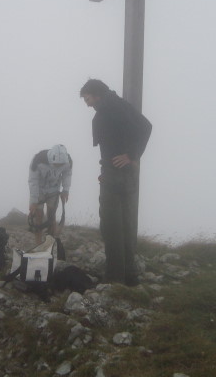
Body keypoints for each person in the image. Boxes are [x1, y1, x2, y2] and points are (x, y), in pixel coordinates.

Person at [80, 79, 152, 286]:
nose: (87, 104)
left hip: (116, 173)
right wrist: (131, 157)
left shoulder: (110, 108)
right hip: (122, 173)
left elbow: (146, 127)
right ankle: (130, 274)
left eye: (87, 99)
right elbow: (143, 127)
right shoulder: (117, 105)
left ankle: (114, 277)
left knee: (111, 225)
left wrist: (131, 155)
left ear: (96, 95)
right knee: (125, 223)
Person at [28, 144, 72, 243]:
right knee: (38, 216)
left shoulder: (67, 161)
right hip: (39, 189)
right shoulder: (38, 160)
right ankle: (38, 244)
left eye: (61, 165)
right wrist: (33, 201)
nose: (58, 167)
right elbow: (33, 181)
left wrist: (65, 190)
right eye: (56, 165)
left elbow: (67, 174)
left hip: (54, 189)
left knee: (51, 216)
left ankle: (50, 243)